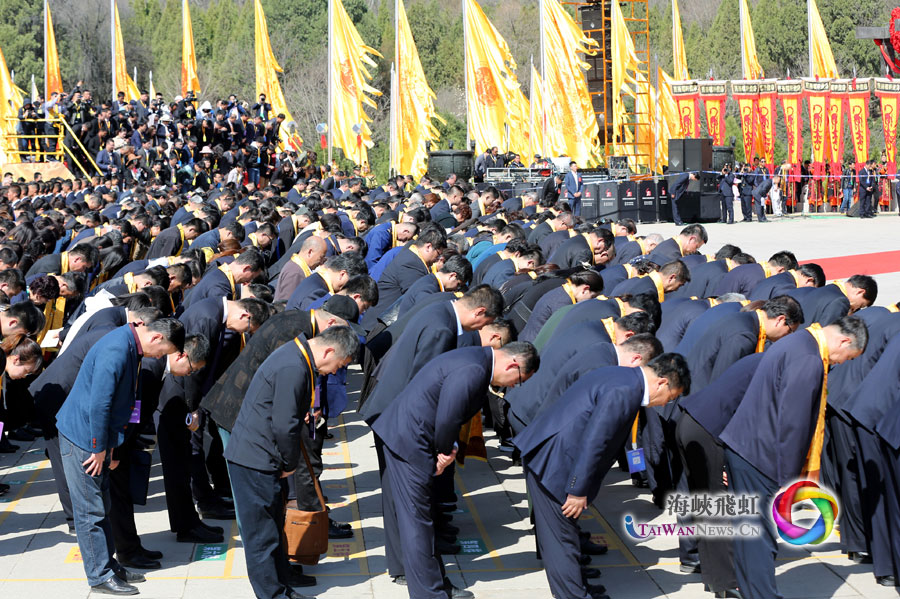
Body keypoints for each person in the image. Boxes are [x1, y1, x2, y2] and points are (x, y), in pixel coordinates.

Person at [514, 353, 690, 599]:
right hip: (555, 463)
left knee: (565, 535)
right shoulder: (625, 391)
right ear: (662, 382)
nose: (662, 404)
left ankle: (579, 587)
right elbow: (595, 441)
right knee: (561, 541)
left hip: (555, 456)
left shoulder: (623, 377)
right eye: (668, 398)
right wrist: (577, 489)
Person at [373, 342, 540, 599]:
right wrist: (443, 452)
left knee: (412, 515)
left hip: (404, 434)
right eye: (517, 380)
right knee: (418, 521)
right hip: (411, 441)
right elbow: (449, 416)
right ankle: (430, 592)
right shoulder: (474, 369)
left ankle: (429, 581)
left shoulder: (476, 359)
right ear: (513, 365)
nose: (512, 386)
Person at [719, 316, 868, 599]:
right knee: (760, 538)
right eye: (848, 357)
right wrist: (788, 483)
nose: (840, 363)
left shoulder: (798, 342)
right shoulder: (809, 359)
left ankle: (749, 590)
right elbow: (793, 424)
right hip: (761, 455)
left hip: (746, 446)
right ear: (844, 341)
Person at [226, 326, 359, 599]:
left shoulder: (298, 358)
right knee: (261, 537)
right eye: (338, 365)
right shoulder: (293, 366)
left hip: (263, 455)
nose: (334, 372)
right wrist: (289, 463)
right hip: (255, 459)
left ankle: (280, 586)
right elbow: (285, 425)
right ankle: (272, 595)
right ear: (329, 350)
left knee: (273, 529)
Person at [55, 319, 185, 596]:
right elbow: (99, 404)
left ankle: (108, 565)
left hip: (96, 438)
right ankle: (99, 575)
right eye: (163, 352)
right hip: (83, 438)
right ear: (156, 337)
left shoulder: (129, 344)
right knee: (90, 511)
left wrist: (111, 447)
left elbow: (118, 403)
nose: (160, 358)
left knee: (103, 503)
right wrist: (98, 448)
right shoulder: (117, 349)